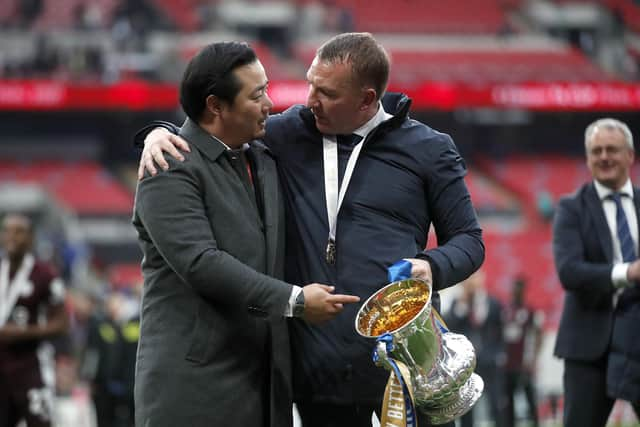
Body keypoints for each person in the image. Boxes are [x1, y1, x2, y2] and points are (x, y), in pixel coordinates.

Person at [136, 33, 484, 427]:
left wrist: (431, 267)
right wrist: (158, 132)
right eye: (310, 85)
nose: (310, 100)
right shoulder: (285, 134)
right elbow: (214, 128)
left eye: (327, 93)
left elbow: (470, 241)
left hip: (404, 361)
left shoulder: (429, 149)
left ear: (367, 99)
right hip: (319, 371)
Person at [132, 41, 360, 427]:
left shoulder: (259, 154)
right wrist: (296, 300)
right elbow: (201, 263)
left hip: (265, 385)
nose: (270, 104)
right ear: (216, 106)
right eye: (257, 95)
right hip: (194, 389)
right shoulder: (168, 168)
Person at [553, 117, 640, 427]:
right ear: (588, 158)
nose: (604, 157)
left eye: (612, 150)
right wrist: (628, 272)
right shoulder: (571, 208)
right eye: (597, 151)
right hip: (589, 346)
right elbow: (569, 272)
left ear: (630, 155)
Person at [0, 213, 68, 427]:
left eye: (19, 232)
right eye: (7, 231)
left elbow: (62, 324)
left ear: (31, 238)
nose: (12, 237)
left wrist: (23, 333)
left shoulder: (45, 274)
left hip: (31, 366)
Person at [444, 269, 506, 427]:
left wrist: (499, 353)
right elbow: (450, 325)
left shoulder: (492, 303)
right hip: (466, 363)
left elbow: (500, 331)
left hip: (489, 360)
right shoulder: (457, 303)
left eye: (475, 278)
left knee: (496, 401)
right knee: (467, 404)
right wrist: (463, 303)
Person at [503, 275, 543, 427]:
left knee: (530, 397)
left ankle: (535, 423)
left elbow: (538, 335)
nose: (516, 291)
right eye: (515, 287)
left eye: (519, 288)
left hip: (524, 364)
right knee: (508, 400)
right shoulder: (506, 310)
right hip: (508, 364)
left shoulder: (530, 311)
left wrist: (533, 358)